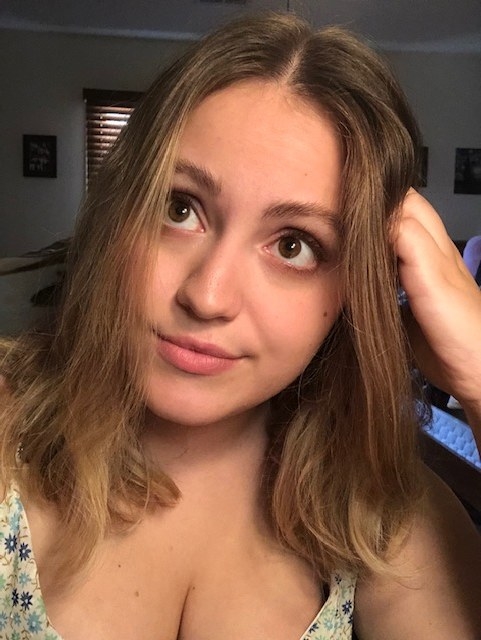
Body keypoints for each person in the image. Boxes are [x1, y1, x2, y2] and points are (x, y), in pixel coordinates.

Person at [1, 12, 481, 640]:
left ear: (355, 290)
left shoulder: (383, 516)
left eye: (294, 246)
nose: (207, 295)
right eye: (180, 208)